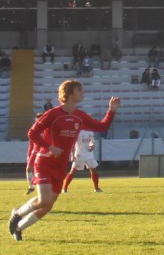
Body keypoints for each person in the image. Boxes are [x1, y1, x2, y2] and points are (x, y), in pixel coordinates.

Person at [9, 80, 120, 241]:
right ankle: (17, 214)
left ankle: (19, 228)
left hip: (60, 166)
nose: (83, 93)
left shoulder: (80, 116)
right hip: (45, 162)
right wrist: (50, 147)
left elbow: (101, 127)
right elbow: (32, 133)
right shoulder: (53, 114)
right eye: (79, 90)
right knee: (44, 199)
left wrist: (111, 111)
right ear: (68, 94)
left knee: (48, 205)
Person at [24, 113, 44, 195]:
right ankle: (31, 187)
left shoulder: (46, 129)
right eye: (37, 119)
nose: (38, 120)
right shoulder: (34, 129)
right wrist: (29, 154)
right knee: (29, 168)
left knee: (42, 170)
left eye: (40, 119)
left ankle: (44, 186)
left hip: (43, 152)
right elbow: (31, 143)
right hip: (35, 152)